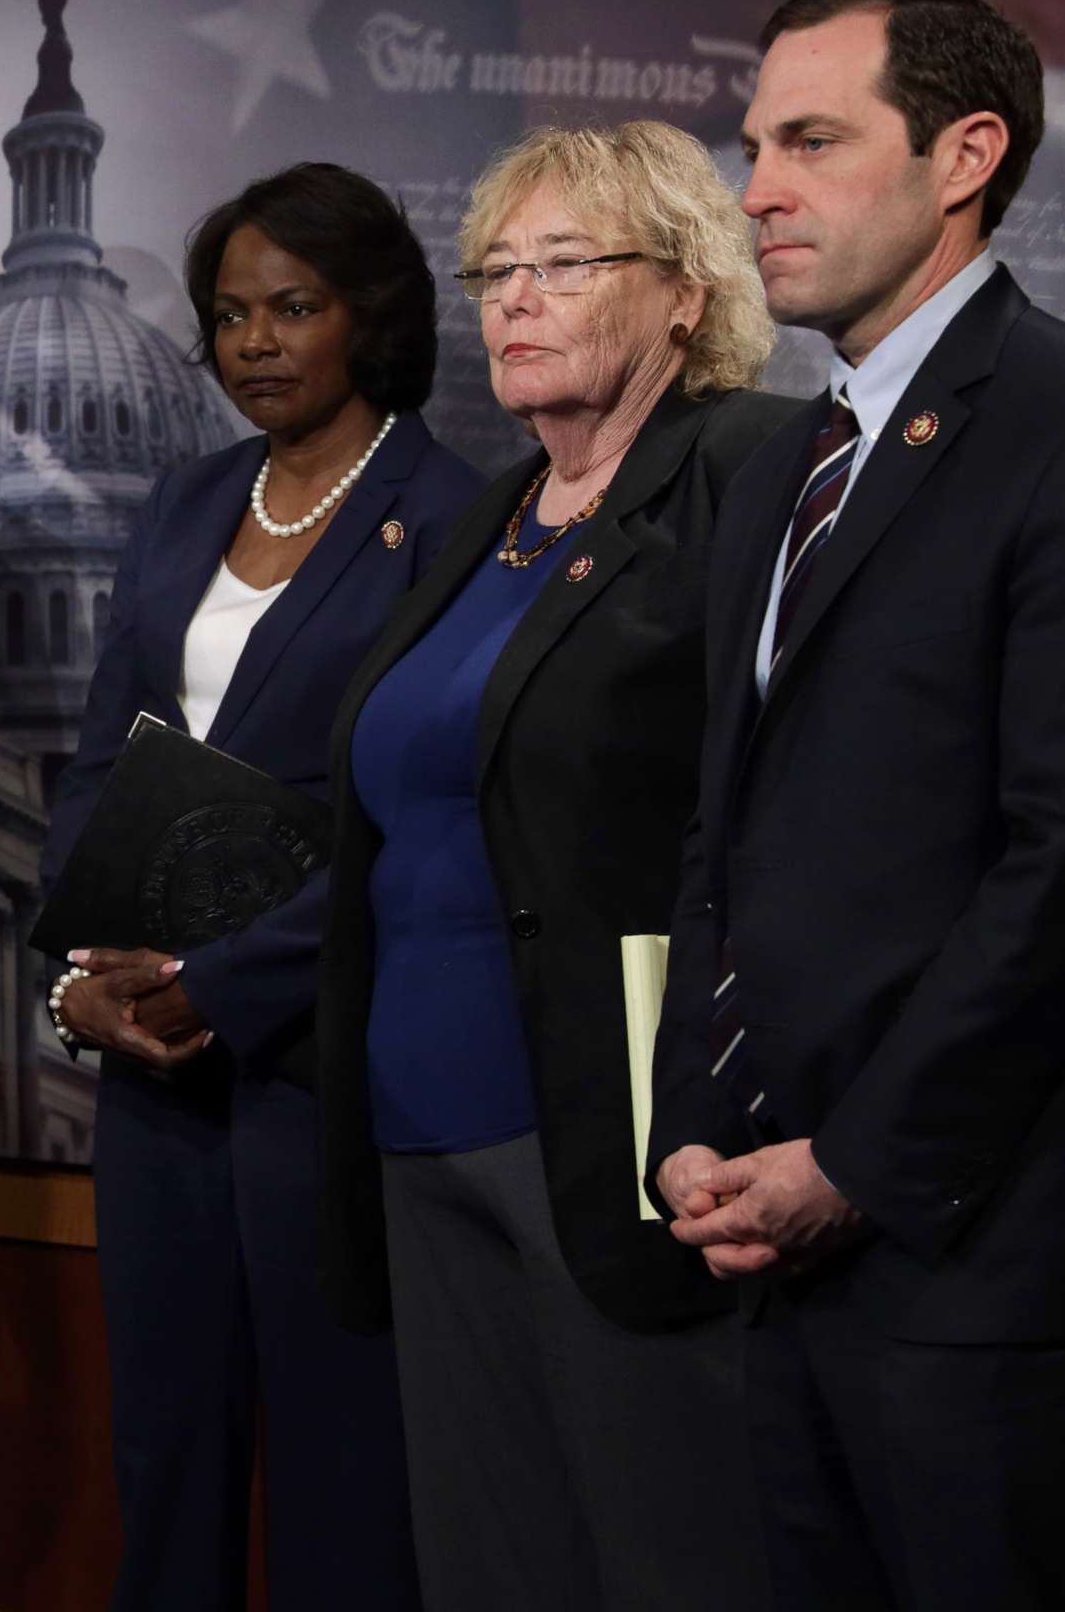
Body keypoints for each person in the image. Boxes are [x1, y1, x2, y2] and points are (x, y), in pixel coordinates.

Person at [644, 0, 1065, 1611]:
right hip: (779, 1227)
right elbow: (731, 820)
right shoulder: (776, 460)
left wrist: (850, 1157)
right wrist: (697, 1119)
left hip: (1005, 1240)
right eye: (750, 140)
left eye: (811, 140)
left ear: (963, 151)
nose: (753, 185)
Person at [310, 122, 796, 1610]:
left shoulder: (753, 472)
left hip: (621, 1118)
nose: (513, 297)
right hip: (418, 1120)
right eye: (496, 270)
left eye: (566, 264)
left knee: (664, 1553)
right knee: (489, 1562)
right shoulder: (488, 516)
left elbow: (789, 806)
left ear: (688, 293)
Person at [43, 162, 478, 1612]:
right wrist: (79, 979)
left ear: (373, 317)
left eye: (294, 307)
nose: (257, 344)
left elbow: (417, 819)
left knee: (344, 1474)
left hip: (324, 1066)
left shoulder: (457, 513)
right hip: (153, 1077)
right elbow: (103, 757)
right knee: (167, 1455)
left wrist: (222, 988)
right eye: (230, 315)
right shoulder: (184, 500)